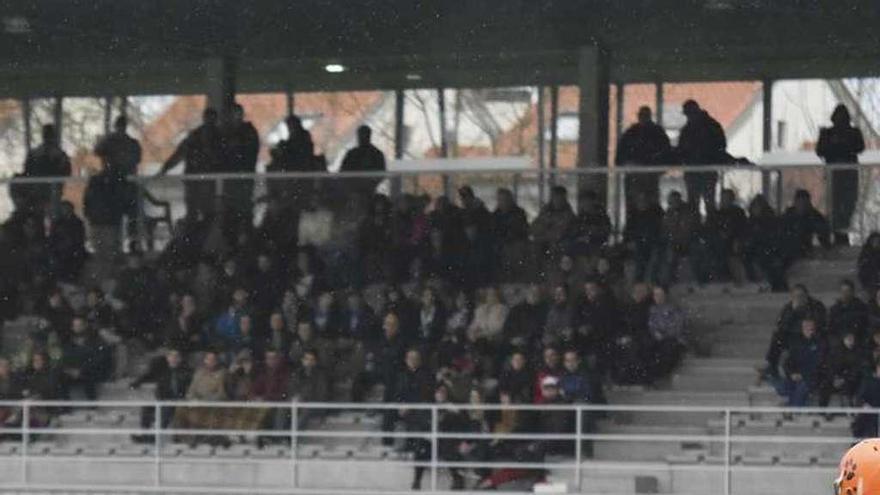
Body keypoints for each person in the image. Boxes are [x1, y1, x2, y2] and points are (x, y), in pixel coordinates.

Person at [158, 108, 224, 217]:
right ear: (205, 118)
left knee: (207, 214)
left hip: (207, 182)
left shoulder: (219, 138)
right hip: (194, 181)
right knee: (194, 213)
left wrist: (165, 168)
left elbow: (224, 159)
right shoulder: (195, 136)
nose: (210, 122)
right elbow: (179, 154)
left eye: (212, 119)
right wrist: (165, 169)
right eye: (209, 118)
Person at [817, 104, 865, 245]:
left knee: (848, 205)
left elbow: (859, 147)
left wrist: (840, 144)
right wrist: (838, 145)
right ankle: (838, 236)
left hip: (849, 174)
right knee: (835, 206)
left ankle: (841, 235)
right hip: (834, 175)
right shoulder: (827, 133)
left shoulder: (854, 132)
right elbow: (820, 150)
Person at [763, 284, 827, 379]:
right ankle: (772, 365)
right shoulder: (789, 307)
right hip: (793, 336)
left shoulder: (816, 306)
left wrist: (800, 327)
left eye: (801, 296)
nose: (799, 299)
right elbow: (781, 325)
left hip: (810, 337)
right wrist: (793, 311)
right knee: (777, 336)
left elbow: (817, 323)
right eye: (796, 296)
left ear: (806, 295)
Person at [130, 348, 193, 442]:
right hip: (163, 400)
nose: (174, 359)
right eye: (171, 356)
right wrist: (136, 383)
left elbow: (191, 387)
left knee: (166, 410)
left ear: (180, 359)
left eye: (176, 357)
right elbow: (148, 376)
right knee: (147, 409)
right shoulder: (162, 370)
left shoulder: (186, 371)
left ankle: (155, 436)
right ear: (167, 358)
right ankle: (145, 434)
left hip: (178, 402)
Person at [94, 115, 141, 237]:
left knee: (122, 214)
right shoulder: (128, 143)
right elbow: (97, 151)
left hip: (118, 184)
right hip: (120, 183)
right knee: (127, 214)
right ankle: (130, 241)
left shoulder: (123, 143)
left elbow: (97, 150)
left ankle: (127, 241)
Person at [676, 100, 727, 212]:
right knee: (697, 206)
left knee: (703, 206)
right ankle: (702, 227)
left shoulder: (694, 129)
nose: (689, 117)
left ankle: (704, 227)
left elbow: (720, 147)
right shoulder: (709, 126)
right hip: (698, 172)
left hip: (703, 171)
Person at [221, 103, 260, 245]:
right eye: (233, 114)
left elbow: (249, 152)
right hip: (230, 183)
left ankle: (246, 242)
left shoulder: (248, 131)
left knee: (244, 212)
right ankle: (230, 243)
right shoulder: (227, 132)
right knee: (230, 213)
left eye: (238, 113)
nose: (235, 117)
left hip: (243, 181)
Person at [616, 106, 672, 203]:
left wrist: (657, 167)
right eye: (642, 115)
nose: (643, 118)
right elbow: (620, 156)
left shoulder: (656, 132)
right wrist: (626, 164)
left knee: (650, 204)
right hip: (636, 176)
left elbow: (665, 153)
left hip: (649, 176)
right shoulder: (632, 132)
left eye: (645, 115)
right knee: (634, 205)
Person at [773, 318, 826, 407]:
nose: (808, 330)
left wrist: (803, 375)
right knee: (783, 386)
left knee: (801, 387)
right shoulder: (796, 343)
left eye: (810, 328)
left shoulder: (819, 343)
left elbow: (817, 364)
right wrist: (792, 373)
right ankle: (791, 406)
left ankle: (794, 410)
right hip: (795, 375)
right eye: (806, 327)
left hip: (812, 377)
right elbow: (789, 362)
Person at [21, 124, 71, 215]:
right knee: (51, 215)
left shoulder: (35, 153)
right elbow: (67, 172)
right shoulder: (59, 154)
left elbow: (26, 172)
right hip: (50, 192)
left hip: (40, 191)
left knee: (40, 215)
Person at [624, 191, 664, 284]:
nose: (642, 202)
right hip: (638, 244)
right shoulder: (633, 214)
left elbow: (660, 230)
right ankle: (639, 281)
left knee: (654, 257)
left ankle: (652, 282)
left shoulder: (656, 213)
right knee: (639, 255)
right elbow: (628, 231)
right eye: (640, 200)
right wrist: (628, 241)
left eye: (644, 200)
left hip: (653, 242)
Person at [780, 189, 831, 260]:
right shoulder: (788, 216)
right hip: (788, 253)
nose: (802, 207)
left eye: (805, 204)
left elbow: (823, 235)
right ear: (795, 203)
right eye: (800, 204)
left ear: (809, 203)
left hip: (806, 253)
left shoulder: (814, 216)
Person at [647, 286, 686, 377]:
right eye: (655, 295)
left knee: (668, 349)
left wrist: (664, 334)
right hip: (657, 338)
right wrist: (655, 333)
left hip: (672, 339)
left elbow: (677, 326)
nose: (658, 297)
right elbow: (651, 325)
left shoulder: (674, 309)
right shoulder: (652, 310)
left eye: (660, 295)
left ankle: (663, 375)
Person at [820, 332, 866, 407]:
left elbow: (856, 369)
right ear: (844, 339)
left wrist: (844, 379)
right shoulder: (835, 351)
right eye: (848, 338)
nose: (850, 340)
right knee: (825, 388)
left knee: (848, 388)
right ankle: (823, 412)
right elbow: (829, 366)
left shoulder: (858, 352)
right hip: (835, 378)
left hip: (850, 379)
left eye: (852, 339)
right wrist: (834, 378)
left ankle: (849, 410)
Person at [531, 186, 575, 263]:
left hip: (560, 243)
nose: (558, 200)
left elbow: (561, 232)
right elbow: (535, 227)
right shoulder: (545, 211)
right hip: (543, 242)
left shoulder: (569, 214)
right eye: (556, 197)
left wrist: (548, 230)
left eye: (560, 198)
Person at [340, 125, 386, 197]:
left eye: (364, 135)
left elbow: (381, 173)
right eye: (361, 135)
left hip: (369, 191)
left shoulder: (376, 154)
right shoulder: (352, 153)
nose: (362, 137)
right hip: (352, 190)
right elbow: (343, 172)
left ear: (369, 136)